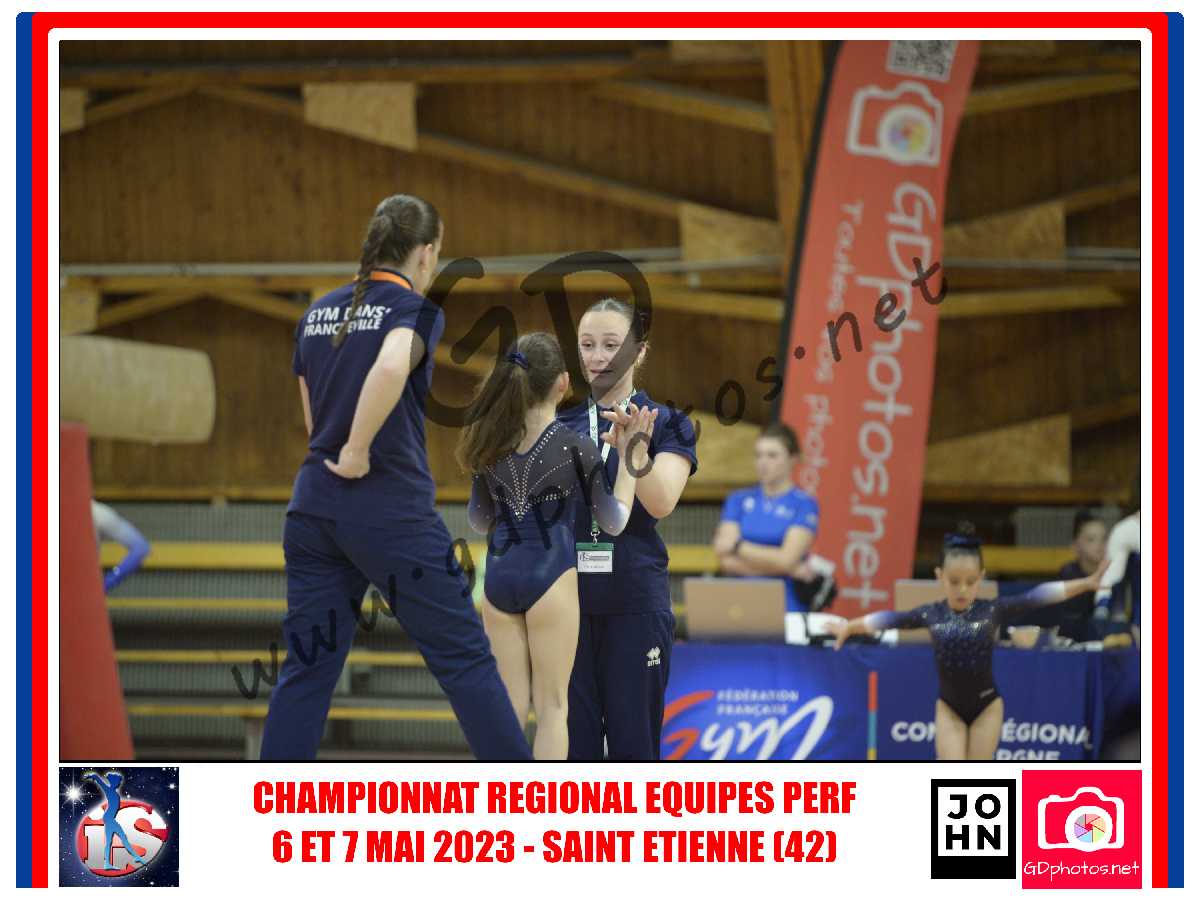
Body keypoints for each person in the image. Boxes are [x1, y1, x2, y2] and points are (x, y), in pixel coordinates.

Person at [261, 194, 531, 761]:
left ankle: (270, 799)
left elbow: (315, 423)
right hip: (388, 510)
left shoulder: (317, 313)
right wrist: (358, 449)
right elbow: (389, 365)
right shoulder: (416, 311)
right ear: (426, 253)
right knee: (465, 660)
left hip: (313, 507)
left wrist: (341, 448)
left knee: (306, 672)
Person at [458, 332, 649, 759]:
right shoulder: (577, 446)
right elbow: (614, 522)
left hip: (499, 577)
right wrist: (630, 459)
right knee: (553, 710)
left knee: (507, 710)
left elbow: (478, 520)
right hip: (552, 576)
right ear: (562, 383)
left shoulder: (490, 444)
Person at [833, 523, 1109, 760]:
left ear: (981, 578)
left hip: (987, 708)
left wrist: (1086, 584)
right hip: (949, 707)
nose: (962, 589)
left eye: (970, 581)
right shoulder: (931, 614)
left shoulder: (992, 610)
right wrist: (851, 626)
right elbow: (889, 618)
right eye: (954, 581)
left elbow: (1038, 596)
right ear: (940, 576)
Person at [558, 297, 698, 761]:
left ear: (640, 351)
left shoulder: (669, 424)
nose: (598, 356)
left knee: (634, 748)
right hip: (566, 607)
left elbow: (662, 501)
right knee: (573, 751)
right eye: (588, 345)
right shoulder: (557, 424)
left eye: (611, 345)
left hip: (635, 603)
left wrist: (634, 448)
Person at [712, 423, 821, 612]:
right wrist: (788, 569)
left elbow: (787, 559)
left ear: (793, 459)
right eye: (758, 455)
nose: (763, 462)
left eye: (772, 455)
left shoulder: (804, 504)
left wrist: (737, 546)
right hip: (739, 606)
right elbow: (725, 561)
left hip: (786, 608)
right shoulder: (738, 499)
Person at [1009, 508, 1107, 643]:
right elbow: (1070, 630)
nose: (1100, 544)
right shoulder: (1068, 577)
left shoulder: (1114, 576)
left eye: (1104, 538)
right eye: (1091, 539)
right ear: (1075, 546)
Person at [82, 771, 148, 870]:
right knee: (122, 838)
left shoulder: (113, 792)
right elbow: (100, 781)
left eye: (119, 782)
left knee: (110, 841)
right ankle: (135, 857)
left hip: (109, 818)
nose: (119, 783)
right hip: (109, 818)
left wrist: (93, 776)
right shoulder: (109, 790)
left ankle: (107, 863)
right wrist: (93, 776)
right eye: (118, 781)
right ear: (113, 782)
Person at [91, 501, 150, 593]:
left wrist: (107, 583)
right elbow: (140, 548)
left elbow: (140, 548)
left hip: (84, 586)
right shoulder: (97, 512)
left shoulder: (97, 513)